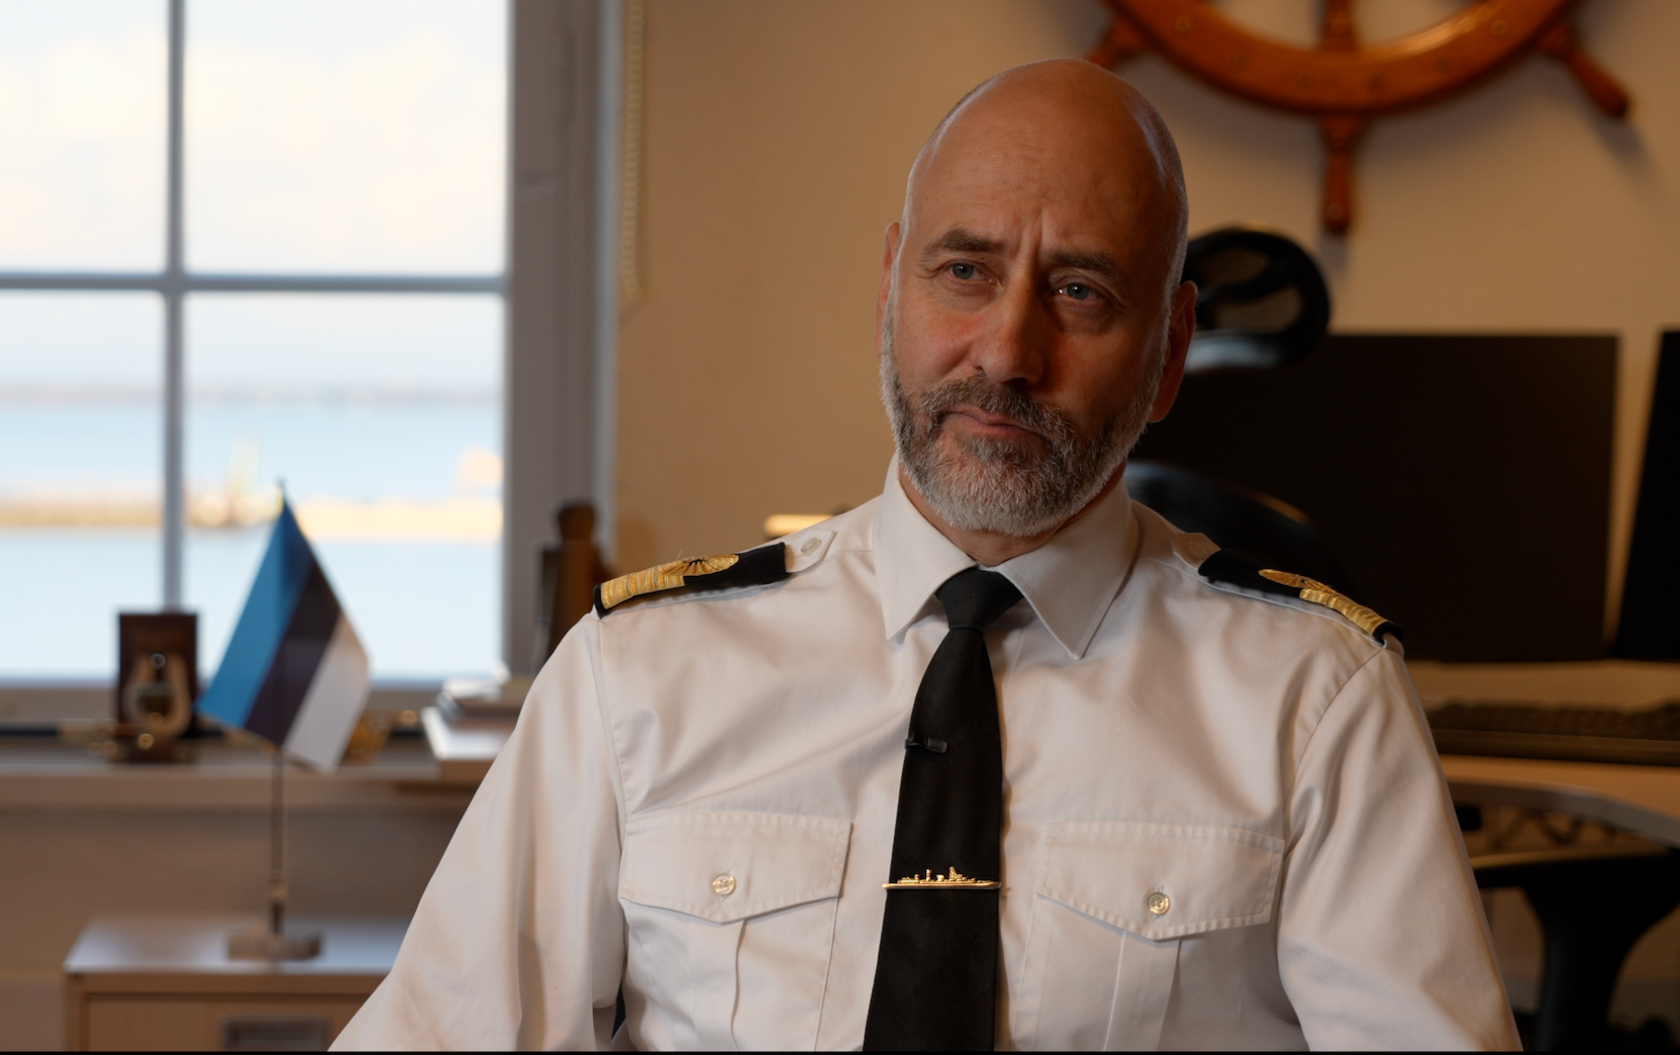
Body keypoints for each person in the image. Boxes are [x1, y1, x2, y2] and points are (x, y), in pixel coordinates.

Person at [335, 59, 1519, 1051]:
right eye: (965, 272)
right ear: (890, 293)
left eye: (1080, 290)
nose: (1006, 352)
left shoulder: (1318, 701)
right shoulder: (635, 675)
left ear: (1169, 353)